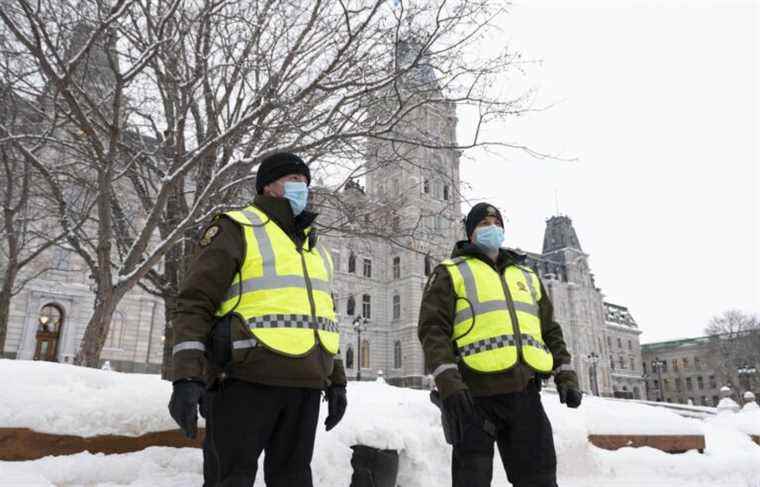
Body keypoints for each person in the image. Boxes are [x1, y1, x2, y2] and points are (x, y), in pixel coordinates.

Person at [169, 152, 348, 487]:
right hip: (245, 381)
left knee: (294, 479)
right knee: (231, 479)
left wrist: (336, 380)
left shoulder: (314, 248)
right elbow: (195, 302)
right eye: (293, 180)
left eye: (305, 182)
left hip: (305, 387)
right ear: (268, 186)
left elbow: (325, 319)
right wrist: (186, 377)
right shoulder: (237, 227)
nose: (303, 188)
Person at [418, 202, 582, 487]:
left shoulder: (527, 276)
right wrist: (448, 383)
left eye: (496, 222)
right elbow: (433, 330)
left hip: (525, 396)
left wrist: (565, 373)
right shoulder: (450, 271)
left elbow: (549, 329)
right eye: (483, 224)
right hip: (473, 398)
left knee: (540, 481)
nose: (491, 228)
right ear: (470, 233)